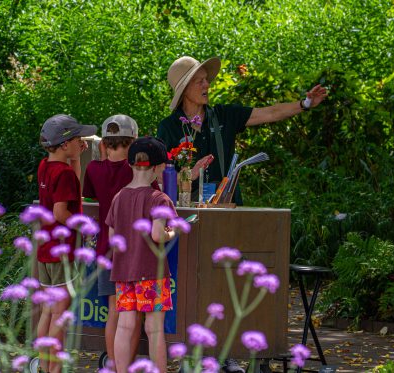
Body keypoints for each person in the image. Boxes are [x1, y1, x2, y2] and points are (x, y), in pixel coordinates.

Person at [157, 56, 328, 205]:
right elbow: (160, 178)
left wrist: (305, 104)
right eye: (200, 81)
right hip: (187, 212)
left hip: (228, 206)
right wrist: (190, 175)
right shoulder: (168, 127)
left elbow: (270, 112)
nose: (207, 85)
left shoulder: (225, 115)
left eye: (206, 79)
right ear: (185, 89)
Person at [82, 114, 156, 366]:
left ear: (104, 142)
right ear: (134, 141)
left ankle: (114, 365)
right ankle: (128, 364)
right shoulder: (138, 171)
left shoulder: (93, 169)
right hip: (136, 253)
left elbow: (90, 196)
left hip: (106, 249)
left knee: (115, 312)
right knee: (132, 315)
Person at [31, 114, 97, 373]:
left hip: (45, 251)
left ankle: (45, 366)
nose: (81, 141)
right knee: (60, 314)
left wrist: (77, 159)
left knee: (48, 312)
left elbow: (73, 190)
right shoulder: (65, 173)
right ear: (65, 143)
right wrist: (84, 227)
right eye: (77, 137)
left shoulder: (45, 166)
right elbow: (61, 212)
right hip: (62, 253)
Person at [106, 136, 177, 373]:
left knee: (125, 326)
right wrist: (173, 230)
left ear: (130, 164)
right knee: (154, 329)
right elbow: (158, 235)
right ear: (157, 168)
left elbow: (112, 239)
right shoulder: (159, 198)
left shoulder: (119, 197)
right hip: (151, 273)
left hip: (124, 272)